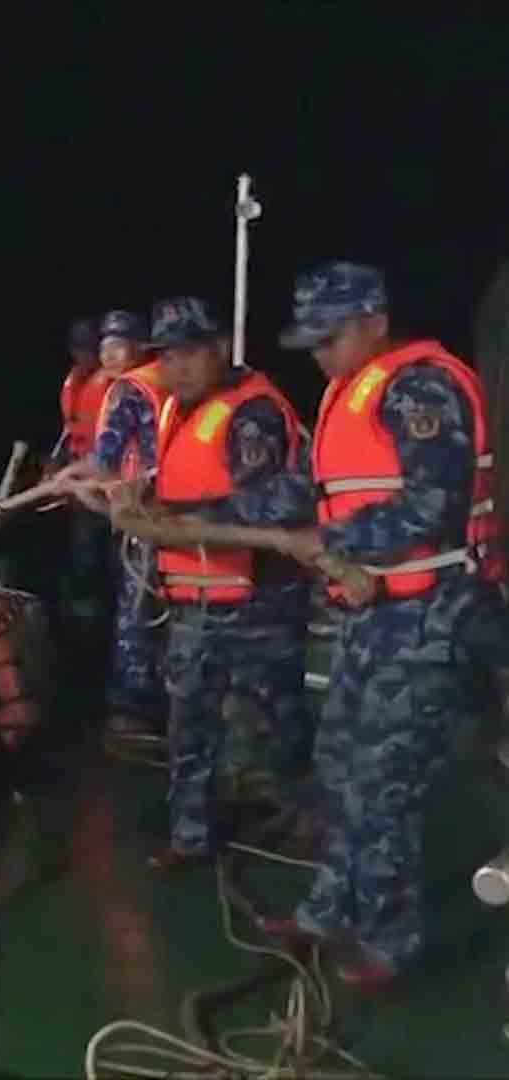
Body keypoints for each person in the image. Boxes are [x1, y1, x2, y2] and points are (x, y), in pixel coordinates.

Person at [258, 262, 505, 987]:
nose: (320, 355)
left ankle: (389, 944)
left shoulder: (422, 388)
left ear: (374, 321)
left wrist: (331, 545)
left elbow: (435, 503)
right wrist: (207, 508)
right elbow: (313, 489)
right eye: (311, 343)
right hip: (372, 617)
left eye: (330, 338)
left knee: (381, 783)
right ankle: (327, 911)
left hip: (432, 616)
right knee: (336, 768)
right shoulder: (345, 393)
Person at [108, 297, 315, 870]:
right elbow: (177, 488)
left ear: (220, 348)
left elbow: (264, 506)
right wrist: (140, 500)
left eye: (189, 354)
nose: (176, 368)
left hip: (259, 604)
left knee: (280, 718)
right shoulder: (179, 410)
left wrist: (169, 517)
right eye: (166, 357)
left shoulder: (253, 415)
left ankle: (304, 817)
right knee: (189, 725)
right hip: (194, 605)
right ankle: (190, 835)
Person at [57, 309, 172, 734]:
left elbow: (105, 458)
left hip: (139, 512)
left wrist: (75, 479)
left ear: (139, 348)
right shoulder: (167, 382)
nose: (107, 355)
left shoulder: (129, 391)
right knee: (162, 605)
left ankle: (133, 708)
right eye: (103, 346)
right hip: (171, 507)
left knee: (135, 610)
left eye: (116, 346)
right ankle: (162, 698)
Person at [47, 317, 115, 656]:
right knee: (83, 557)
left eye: (91, 348)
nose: (86, 355)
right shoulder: (74, 383)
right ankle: (84, 632)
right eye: (80, 348)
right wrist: (56, 466)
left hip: (110, 486)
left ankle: (104, 630)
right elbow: (70, 432)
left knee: (107, 559)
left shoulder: (115, 386)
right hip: (80, 487)